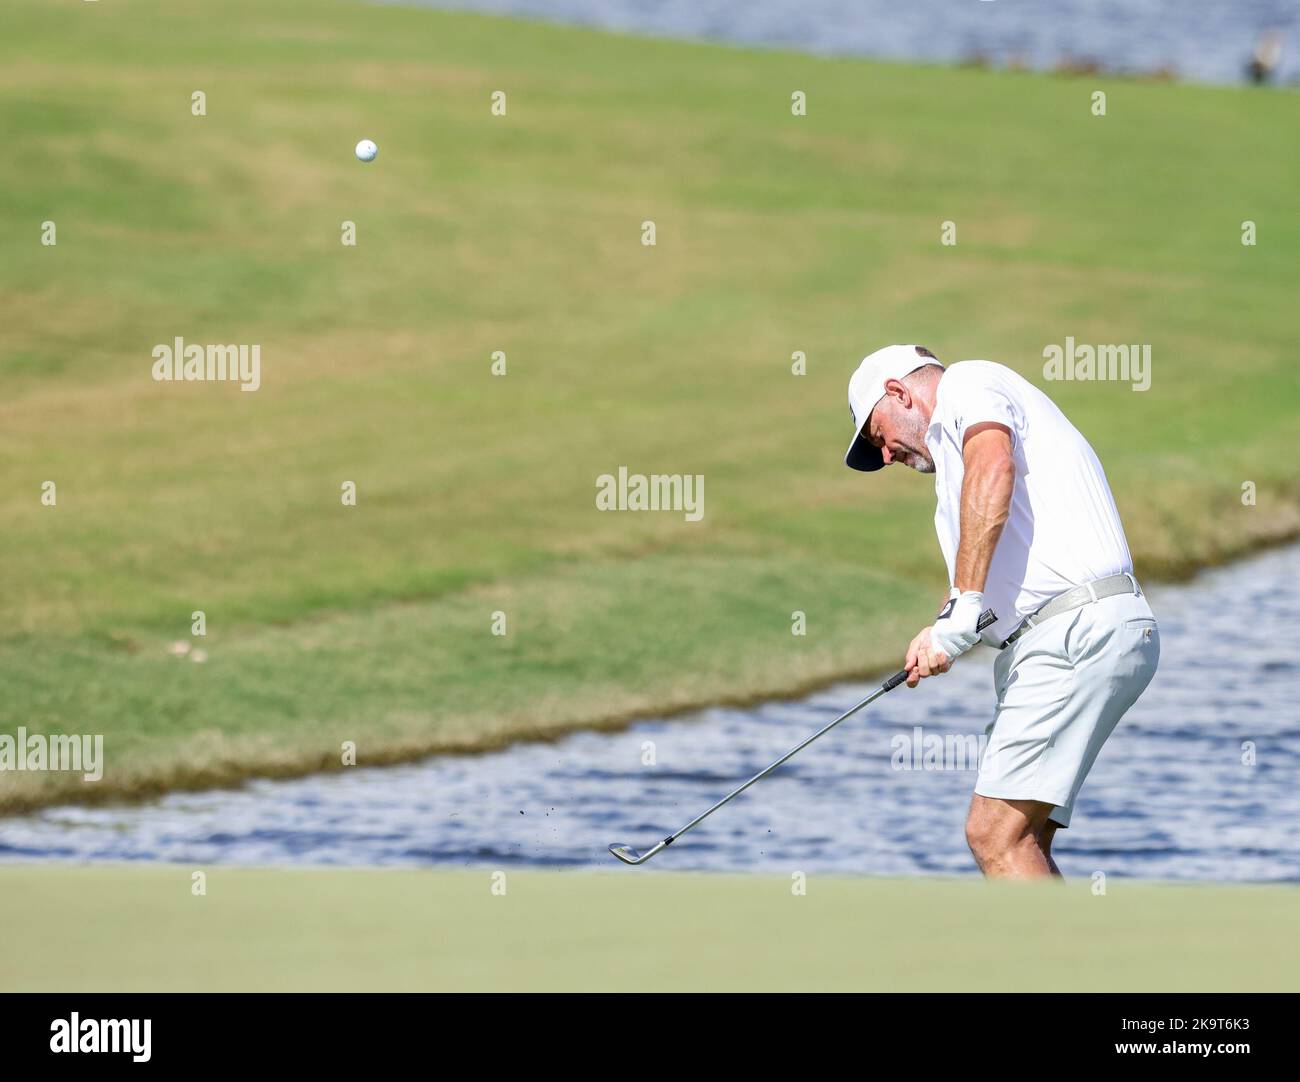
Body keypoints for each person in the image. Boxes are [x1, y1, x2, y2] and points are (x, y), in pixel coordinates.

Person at [844, 344, 1160, 879]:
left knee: (993, 833)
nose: (886, 456)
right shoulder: (952, 474)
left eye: (879, 437)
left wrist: (965, 605)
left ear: (898, 392)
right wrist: (943, 625)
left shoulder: (970, 382)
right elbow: (989, 582)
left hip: (1073, 632)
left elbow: (995, 464)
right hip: (1068, 635)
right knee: (1024, 837)